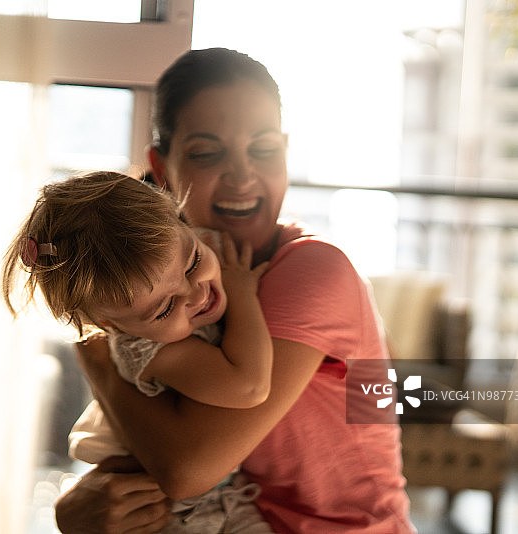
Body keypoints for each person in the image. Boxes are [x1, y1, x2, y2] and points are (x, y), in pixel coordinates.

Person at [53, 47, 416, 534]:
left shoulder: (313, 268)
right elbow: (151, 443)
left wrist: (99, 361)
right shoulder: (167, 290)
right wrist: (77, 506)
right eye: (206, 153)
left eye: (264, 150)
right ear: (160, 168)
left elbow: (187, 470)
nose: (243, 176)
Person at [1, 171, 276, 533]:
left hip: (221, 501)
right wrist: (241, 291)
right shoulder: (146, 348)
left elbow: (374, 394)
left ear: (179, 217)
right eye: (164, 309)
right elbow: (249, 386)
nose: (197, 294)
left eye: (193, 262)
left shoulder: (187, 258)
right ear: (111, 328)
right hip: (183, 516)